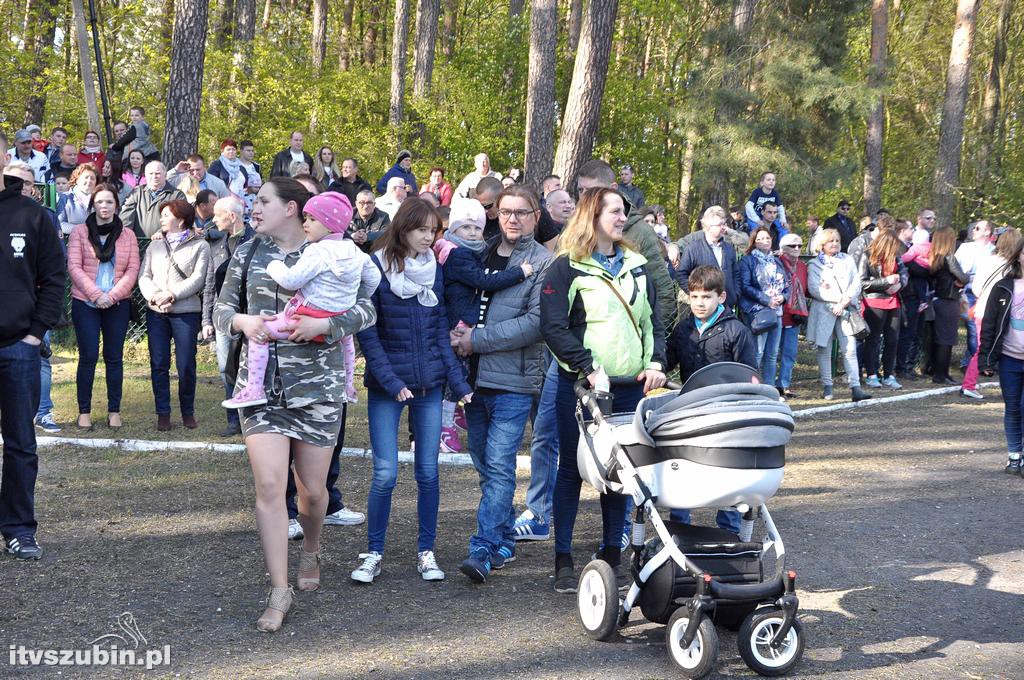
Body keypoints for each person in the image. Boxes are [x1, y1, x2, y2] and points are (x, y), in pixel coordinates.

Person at [213, 176, 376, 631]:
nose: (254, 207)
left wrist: (327, 329)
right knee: (269, 489)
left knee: (312, 493)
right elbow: (221, 309)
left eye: (263, 201)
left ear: (291, 208)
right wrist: (243, 321)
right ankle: (279, 589)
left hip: (319, 388)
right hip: (261, 388)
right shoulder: (246, 253)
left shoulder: (334, 249)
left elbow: (369, 307)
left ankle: (310, 548)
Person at [540, 186, 666, 593]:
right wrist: (587, 367)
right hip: (580, 388)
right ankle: (563, 559)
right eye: (613, 210)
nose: (620, 217)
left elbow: (653, 322)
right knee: (570, 470)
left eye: (623, 211)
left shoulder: (638, 263)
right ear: (592, 215)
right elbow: (553, 327)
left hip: (630, 389)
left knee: (621, 472)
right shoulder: (566, 266)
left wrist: (656, 363)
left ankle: (613, 552)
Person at [351, 198, 470, 584]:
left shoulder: (432, 267)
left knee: (428, 472)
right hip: (389, 386)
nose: (429, 237)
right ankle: (372, 553)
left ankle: (426, 552)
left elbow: (439, 330)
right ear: (403, 228)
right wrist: (392, 382)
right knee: (384, 473)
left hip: (430, 384)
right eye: (422, 229)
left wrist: (459, 383)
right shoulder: (375, 266)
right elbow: (367, 331)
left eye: (433, 230)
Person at [446, 185, 551, 583]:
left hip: (513, 380)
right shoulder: (480, 251)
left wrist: (476, 340)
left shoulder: (543, 263)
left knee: (500, 465)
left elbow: (535, 324)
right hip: (472, 381)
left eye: (521, 213)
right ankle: (505, 535)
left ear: (535, 217)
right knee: (484, 464)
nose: (512, 219)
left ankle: (484, 547)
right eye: (506, 212)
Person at [223, 191, 379, 409]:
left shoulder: (317, 251)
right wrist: (349, 299)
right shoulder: (354, 251)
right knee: (347, 343)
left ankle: (254, 388)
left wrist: (274, 266)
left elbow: (291, 280)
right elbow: (374, 278)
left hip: (306, 316)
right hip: (338, 313)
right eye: (306, 218)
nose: (306, 223)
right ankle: (348, 386)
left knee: (262, 332)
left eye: (312, 219)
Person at [0, 130, 66, 560]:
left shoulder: (33, 215)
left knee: (21, 443)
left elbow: (53, 279)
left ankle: (19, 528)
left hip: (18, 348)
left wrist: (34, 333)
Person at [435, 199, 534, 453]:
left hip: (464, 319)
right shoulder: (457, 255)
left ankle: (454, 412)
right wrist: (518, 273)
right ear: (454, 230)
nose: (472, 233)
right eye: (465, 227)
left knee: (463, 372)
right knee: (456, 375)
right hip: (457, 323)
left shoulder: (469, 252)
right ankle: (445, 425)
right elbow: (482, 280)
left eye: (477, 228)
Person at [665, 265, 753, 533]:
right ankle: (680, 525)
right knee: (682, 465)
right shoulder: (683, 330)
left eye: (706, 297)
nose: (700, 303)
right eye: (694, 297)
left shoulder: (736, 331)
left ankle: (729, 528)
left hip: (725, 414)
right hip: (690, 411)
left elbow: (748, 374)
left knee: (726, 469)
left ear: (721, 297)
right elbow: (667, 362)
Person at [66, 184, 140, 431]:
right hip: (85, 302)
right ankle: (84, 411)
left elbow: (132, 269)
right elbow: (74, 267)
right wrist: (97, 295)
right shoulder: (79, 232)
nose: (104, 207)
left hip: (117, 303)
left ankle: (114, 410)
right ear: (93, 205)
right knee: (88, 357)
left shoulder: (127, 235)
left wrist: (113, 295)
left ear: (116, 206)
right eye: (99, 202)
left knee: (114, 358)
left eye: (109, 202)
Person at [138, 199, 212, 431]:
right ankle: (163, 413)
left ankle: (187, 411)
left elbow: (198, 279)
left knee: (186, 365)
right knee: (159, 363)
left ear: (180, 220)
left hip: (185, 313)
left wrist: (171, 294)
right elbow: (144, 275)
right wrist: (154, 297)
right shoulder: (154, 245)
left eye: (166, 214)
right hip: (156, 312)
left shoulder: (200, 246)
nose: (161, 218)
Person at [576, 159, 676, 330]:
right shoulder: (573, 230)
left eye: (592, 190)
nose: (585, 197)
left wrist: (651, 344)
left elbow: (664, 295)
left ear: (613, 189)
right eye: (580, 190)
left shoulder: (641, 233)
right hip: (581, 344)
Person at [205, 196, 253, 436]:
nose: (213, 219)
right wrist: (207, 319)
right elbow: (210, 284)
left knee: (251, 367)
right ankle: (233, 419)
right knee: (226, 367)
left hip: (252, 316)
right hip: (225, 317)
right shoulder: (216, 244)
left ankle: (251, 417)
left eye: (217, 214)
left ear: (231, 216)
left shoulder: (257, 242)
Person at [807, 228, 871, 401]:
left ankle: (855, 387)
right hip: (824, 310)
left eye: (837, 240)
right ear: (823, 244)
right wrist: (836, 301)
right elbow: (814, 288)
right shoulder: (815, 264)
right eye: (831, 241)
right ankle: (827, 386)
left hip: (845, 310)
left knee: (849, 348)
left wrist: (844, 302)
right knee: (824, 349)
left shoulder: (848, 260)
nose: (835, 243)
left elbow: (856, 282)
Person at [966, 228, 1023, 400]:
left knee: (984, 346)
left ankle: (973, 381)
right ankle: (969, 384)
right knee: (985, 348)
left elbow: (976, 288)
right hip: (999, 312)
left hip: (984, 308)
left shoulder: (987, 260)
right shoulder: (1010, 268)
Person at [738, 226, 788, 388]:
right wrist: (766, 300)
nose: (765, 241)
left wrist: (783, 297)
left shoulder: (777, 261)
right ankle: (752, 387)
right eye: (760, 239)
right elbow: (745, 286)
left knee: (772, 354)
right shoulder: (748, 260)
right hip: (758, 311)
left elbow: (787, 286)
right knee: (757, 352)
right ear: (754, 242)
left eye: (767, 238)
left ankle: (769, 388)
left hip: (777, 312)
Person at [860, 225, 908, 390]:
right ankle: (872, 374)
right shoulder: (867, 256)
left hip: (894, 301)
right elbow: (862, 282)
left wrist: (899, 285)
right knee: (873, 340)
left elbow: (903, 273)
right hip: (874, 302)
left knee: (893, 339)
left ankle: (889, 375)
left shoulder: (896, 257)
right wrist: (885, 283)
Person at [676, 206, 740, 312]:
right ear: (709, 226)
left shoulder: (729, 249)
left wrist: (735, 294)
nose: (724, 227)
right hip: (701, 309)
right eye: (720, 224)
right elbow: (681, 274)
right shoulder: (692, 248)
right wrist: (696, 295)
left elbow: (736, 273)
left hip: (726, 306)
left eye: (724, 224)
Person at [926, 227, 969, 385]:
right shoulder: (949, 257)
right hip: (948, 300)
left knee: (944, 338)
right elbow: (963, 278)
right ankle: (940, 375)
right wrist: (960, 281)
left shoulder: (936, 258)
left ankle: (942, 373)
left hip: (940, 299)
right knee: (946, 339)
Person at [956, 221, 995, 374]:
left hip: (987, 295)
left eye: (978, 228)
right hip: (968, 293)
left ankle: (970, 362)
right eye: (973, 227)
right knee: (973, 329)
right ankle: (979, 364)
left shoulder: (994, 251)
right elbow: (955, 267)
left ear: (988, 232)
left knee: (983, 330)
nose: (973, 230)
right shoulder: (966, 248)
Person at [777, 233, 809, 398]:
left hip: (794, 317)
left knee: (789, 353)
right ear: (783, 248)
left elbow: (807, 290)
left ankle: (784, 384)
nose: (797, 249)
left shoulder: (803, 267)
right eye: (792, 246)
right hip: (777, 315)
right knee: (770, 353)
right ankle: (766, 384)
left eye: (799, 246)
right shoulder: (776, 262)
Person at [120, 161, 187, 237]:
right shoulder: (136, 192)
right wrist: (126, 236)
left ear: (165, 175)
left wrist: (163, 232)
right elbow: (126, 217)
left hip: (165, 242)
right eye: (151, 174)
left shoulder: (177, 195)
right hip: (138, 243)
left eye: (157, 173)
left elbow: (181, 218)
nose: (154, 176)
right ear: (145, 176)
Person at [57, 163, 99, 236]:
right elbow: (60, 224)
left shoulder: (99, 199)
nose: (89, 181)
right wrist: (83, 231)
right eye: (86, 177)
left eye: (92, 178)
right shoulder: (66, 197)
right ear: (77, 180)